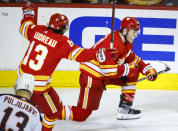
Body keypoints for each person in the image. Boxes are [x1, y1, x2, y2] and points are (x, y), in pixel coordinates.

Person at [18, 1, 116, 130]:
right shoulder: (62, 42)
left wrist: (28, 12)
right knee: (52, 113)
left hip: (21, 80)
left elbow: (25, 25)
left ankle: (37, 109)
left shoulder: (37, 30)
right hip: (38, 87)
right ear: (64, 28)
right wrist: (99, 53)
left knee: (56, 106)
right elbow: (81, 55)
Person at [58, 16, 158, 121]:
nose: (136, 35)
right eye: (134, 32)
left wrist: (147, 69)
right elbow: (109, 71)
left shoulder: (125, 42)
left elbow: (132, 59)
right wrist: (129, 68)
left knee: (132, 74)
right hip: (92, 78)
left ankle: (125, 109)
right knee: (81, 115)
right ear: (125, 31)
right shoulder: (112, 44)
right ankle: (49, 111)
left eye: (138, 31)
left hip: (103, 76)